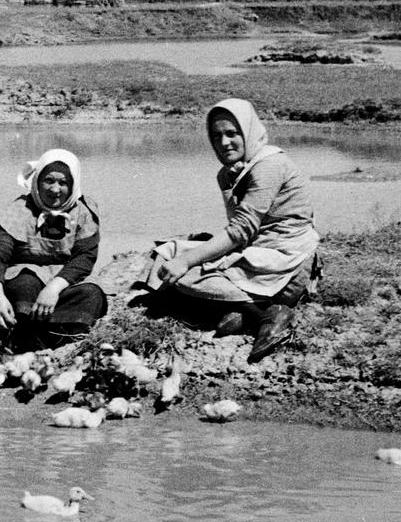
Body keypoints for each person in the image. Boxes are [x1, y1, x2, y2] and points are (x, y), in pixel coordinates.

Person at [135, 98, 319, 362]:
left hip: (286, 262)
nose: (224, 143)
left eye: (232, 134)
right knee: (164, 255)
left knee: (184, 276)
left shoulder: (269, 166)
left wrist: (187, 260)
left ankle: (264, 316)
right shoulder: (233, 172)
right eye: (216, 136)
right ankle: (240, 313)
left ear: (249, 131)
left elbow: (241, 230)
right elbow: (240, 230)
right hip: (258, 254)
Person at [0, 147, 108, 349]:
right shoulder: (20, 209)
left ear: (73, 185)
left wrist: (53, 288)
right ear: (37, 180)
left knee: (91, 295)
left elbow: (84, 259)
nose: (55, 189)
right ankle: (22, 336)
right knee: (26, 284)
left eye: (63, 183)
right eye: (49, 181)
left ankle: (40, 338)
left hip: (61, 285)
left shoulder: (83, 212)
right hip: (18, 286)